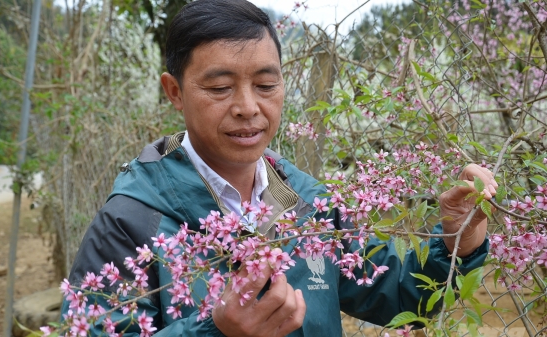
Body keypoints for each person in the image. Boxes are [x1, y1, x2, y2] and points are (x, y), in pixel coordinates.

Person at [61, 1, 495, 336]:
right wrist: (215, 330)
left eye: (266, 85)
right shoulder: (132, 221)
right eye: (219, 88)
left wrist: (460, 242)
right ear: (174, 92)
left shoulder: (309, 204)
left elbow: (403, 295)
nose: (248, 108)